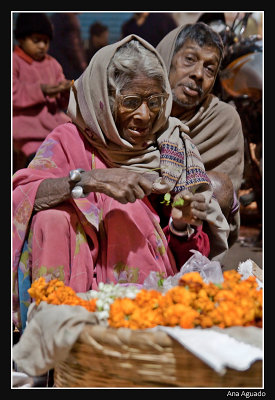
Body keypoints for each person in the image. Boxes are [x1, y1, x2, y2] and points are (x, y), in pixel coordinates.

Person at [13, 35, 229, 330]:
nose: (145, 115)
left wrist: (180, 226)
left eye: (154, 102)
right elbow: (23, 195)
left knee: (124, 209)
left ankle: (129, 334)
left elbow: (190, 255)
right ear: (103, 98)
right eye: (131, 102)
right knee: (50, 218)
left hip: (142, 296)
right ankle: (55, 335)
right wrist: (93, 180)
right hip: (75, 283)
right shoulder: (69, 140)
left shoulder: (171, 148)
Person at [156, 22, 244, 247]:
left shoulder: (222, 120)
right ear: (167, 58)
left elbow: (223, 197)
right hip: (132, 213)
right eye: (189, 59)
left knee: (217, 186)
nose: (197, 74)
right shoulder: (138, 106)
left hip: (190, 231)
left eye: (209, 68)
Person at [13, 13, 72, 171]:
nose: (41, 46)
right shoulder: (14, 61)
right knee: (40, 162)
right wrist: (41, 90)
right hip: (27, 131)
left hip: (55, 128)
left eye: (45, 41)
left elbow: (62, 103)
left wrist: (65, 91)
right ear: (21, 39)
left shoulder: (53, 64)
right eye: (36, 40)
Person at [48, 13, 87, 80]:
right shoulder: (69, 18)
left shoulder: (55, 17)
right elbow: (73, 47)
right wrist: (83, 66)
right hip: (69, 68)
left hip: (56, 65)